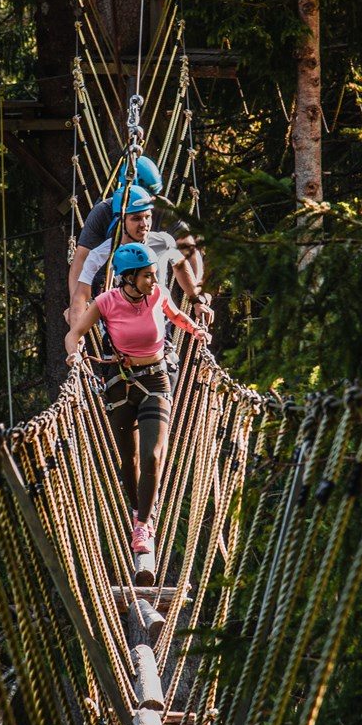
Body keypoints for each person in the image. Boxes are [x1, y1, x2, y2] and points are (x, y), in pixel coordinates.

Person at [65, 243, 211, 555]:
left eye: (155, 274)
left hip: (156, 379)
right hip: (120, 384)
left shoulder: (158, 294)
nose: (154, 281)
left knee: (152, 456)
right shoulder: (106, 302)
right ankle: (137, 511)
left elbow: (176, 316)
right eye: (147, 276)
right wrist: (74, 354)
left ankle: (143, 524)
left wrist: (195, 331)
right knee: (128, 460)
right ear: (128, 278)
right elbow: (74, 334)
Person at [67, 184, 213, 327]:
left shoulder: (162, 242)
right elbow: (80, 296)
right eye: (136, 218)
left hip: (156, 326)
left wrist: (196, 300)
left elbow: (180, 263)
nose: (144, 224)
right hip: (116, 330)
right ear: (120, 220)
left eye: (148, 217)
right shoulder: (101, 255)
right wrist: (76, 329)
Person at [66, 155, 162, 316]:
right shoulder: (104, 212)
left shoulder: (161, 211)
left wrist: (197, 297)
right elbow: (81, 259)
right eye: (136, 217)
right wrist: (76, 306)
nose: (144, 222)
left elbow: (188, 250)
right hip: (110, 282)